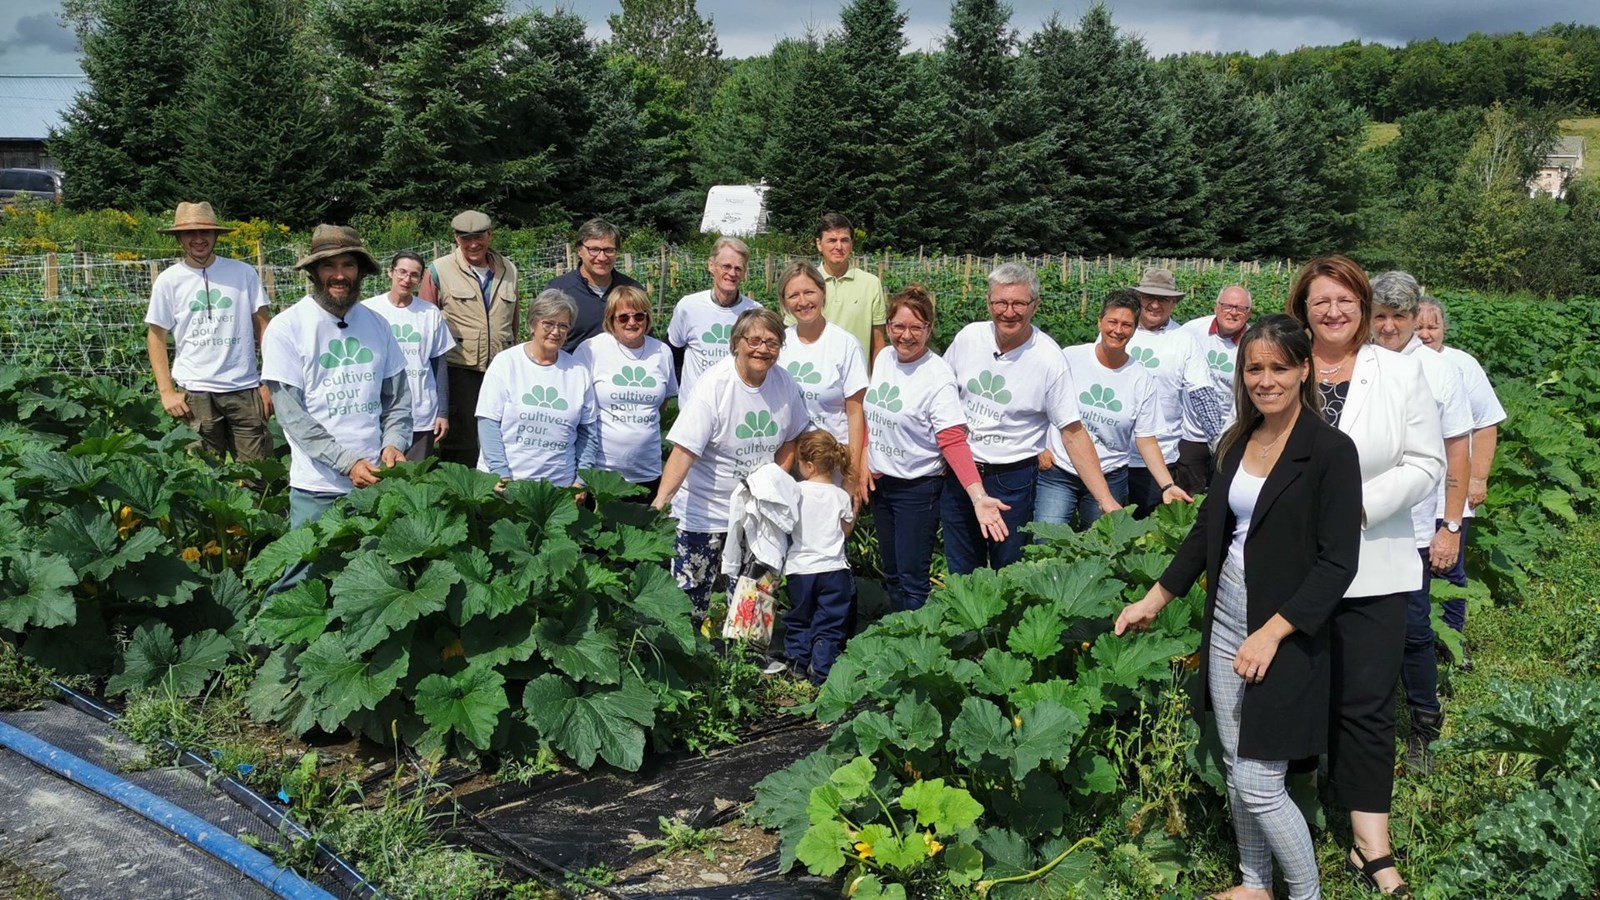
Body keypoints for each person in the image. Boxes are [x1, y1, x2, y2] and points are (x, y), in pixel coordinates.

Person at [1115, 314, 1361, 900]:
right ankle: (1255, 882)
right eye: (1255, 367)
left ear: (1304, 370)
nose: (1266, 379)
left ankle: (1305, 893)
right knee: (1234, 763)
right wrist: (1156, 596)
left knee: (1259, 782)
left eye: (1280, 367)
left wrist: (1273, 633)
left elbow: (1338, 563)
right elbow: (1208, 531)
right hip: (1226, 616)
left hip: (1286, 630)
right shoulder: (1237, 440)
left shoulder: (1330, 451)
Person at [1287, 255, 1444, 897]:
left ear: (1364, 307)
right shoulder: (1281, 364)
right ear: (1303, 308)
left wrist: (1357, 505)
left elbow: (1426, 461)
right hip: (1292, 565)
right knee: (1297, 692)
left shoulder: (1401, 373)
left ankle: (1369, 844)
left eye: (1345, 300)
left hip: (1374, 560)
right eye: (1320, 301)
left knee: (1370, 703)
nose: (1333, 312)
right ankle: (1288, 822)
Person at [941, 263, 1119, 573]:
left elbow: (1073, 433)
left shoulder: (1049, 359)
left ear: (1034, 306)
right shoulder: (968, 338)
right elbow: (940, 397)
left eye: (1019, 303)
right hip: (962, 473)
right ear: (988, 302)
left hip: (1012, 480)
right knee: (960, 568)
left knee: (1009, 569)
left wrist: (1105, 498)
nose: (1008, 312)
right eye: (1000, 302)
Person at [1370, 271, 1472, 775]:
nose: (1388, 326)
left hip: (1411, 527)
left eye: (1399, 317)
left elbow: (1459, 454)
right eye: (1380, 315)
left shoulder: (1438, 372)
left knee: (1413, 630)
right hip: (1357, 523)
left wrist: (1450, 525)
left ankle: (1424, 725)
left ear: (1416, 319)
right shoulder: (1353, 361)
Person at [653, 309, 809, 614]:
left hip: (758, 508)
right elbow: (685, 450)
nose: (762, 349)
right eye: (754, 340)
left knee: (757, 592)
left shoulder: (784, 383)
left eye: (772, 342)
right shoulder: (714, 386)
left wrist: (774, 480)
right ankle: (691, 657)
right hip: (705, 508)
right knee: (690, 597)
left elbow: (792, 435)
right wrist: (661, 501)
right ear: (737, 342)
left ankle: (749, 658)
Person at [864, 284, 1007, 612]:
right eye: (898, 326)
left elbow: (952, 440)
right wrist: (864, 461)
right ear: (888, 327)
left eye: (916, 327)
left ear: (929, 329)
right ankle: (893, 636)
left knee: (912, 576)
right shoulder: (884, 357)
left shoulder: (938, 377)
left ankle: (915, 644)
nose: (906, 335)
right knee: (892, 572)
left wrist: (978, 496)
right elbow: (872, 414)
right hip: (882, 485)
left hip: (917, 489)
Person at [261, 225, 411, 529]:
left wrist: (394, 443)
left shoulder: (378, 325)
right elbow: (292, 416)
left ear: (360, 272)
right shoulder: (287, 327)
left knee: (370, 572)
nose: (339, 275)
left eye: (348, 265)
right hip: (317, 487)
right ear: (314, 272)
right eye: (329, 265)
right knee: (305, 573)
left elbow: (398, 400)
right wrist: (347, 463)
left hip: (374, 481)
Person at [1037, 291, 1190, 530]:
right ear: (1100, 322)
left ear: (1135, 328)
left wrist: (1168, 486)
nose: (1118, 330)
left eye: (1127, 325)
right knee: (1046, 539)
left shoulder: (1141, 379)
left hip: (1110, 474)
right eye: (1112, 322)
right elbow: (1040, 404)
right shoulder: (1070, 358)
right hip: (1060, 471)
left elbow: (1146, 440)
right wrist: (1039, 446)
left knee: (1101, 547)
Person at [144, 201, 273, 461]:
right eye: (190, 233)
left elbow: (264, 326)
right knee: (203, 479)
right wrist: (167, 392)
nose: (198, 239)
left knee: (258, 475)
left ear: (216, 235)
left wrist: (269, 382)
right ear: (179, 237)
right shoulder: (169, 280)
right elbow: (156, 337)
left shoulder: (243, 273)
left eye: (205, 232)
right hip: (195, 393)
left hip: (244, 387)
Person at [1416, 296, 1505, 646]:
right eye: (1419, 326)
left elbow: (1486, 423)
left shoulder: (1462, 364)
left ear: (1444, 328)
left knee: (1447, 569)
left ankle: (1450, 646)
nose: (1425, 334)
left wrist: (1478, 478)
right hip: (1406, 494)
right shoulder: (1392, 362)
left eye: (1432, 326)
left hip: (1448, 490)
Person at [420, 210, 520, 466]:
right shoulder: (439, 271)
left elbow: (514, 321)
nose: (473, 244)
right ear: (456, 238)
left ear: (489, 235)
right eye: (466, 238)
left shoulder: (509, 269)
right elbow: (423, 325)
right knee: (460, 444)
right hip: (458, 371)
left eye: (479, 237)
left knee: (502, 436)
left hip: (499, 369)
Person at [1125, 267, 1227, 509]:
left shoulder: (1183, 340)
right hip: (1111, 457)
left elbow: (1203, 396)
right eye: (1149, 297)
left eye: (1163, 299)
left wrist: (1221, 446)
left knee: (1148, 536)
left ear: (1173, 303)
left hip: (1160, 458)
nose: (1155, 305)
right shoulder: (1120, 330)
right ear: (1139, 298)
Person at [475, 289, 599, 487]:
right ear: (532, 324)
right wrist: (500, 473)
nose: (555, 332)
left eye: (563, 326)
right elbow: (488, 423)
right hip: (507, 482)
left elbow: (588, 432)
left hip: (558, 486)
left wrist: (581, 480)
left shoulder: (578, 371)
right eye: (548, 323)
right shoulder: (506, 363)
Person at [776, 261, 870, 503]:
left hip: (833, 465)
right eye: (793, 295)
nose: (803, 301)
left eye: (809, 292)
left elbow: (855, 413)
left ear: (822, 292)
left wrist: (853, 474)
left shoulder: (845, 345)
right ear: (785, 302)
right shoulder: (779, 344)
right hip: (789, 460)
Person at [573, 285, 677, 497]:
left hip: (647, 469)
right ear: (611, 320)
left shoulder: (661, 352)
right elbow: (576, 404)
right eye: (623, 317)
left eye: (639, 316)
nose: (632, 322)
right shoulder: (591, 350)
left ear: (647, 318)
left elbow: (663, 403)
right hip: (602, 471)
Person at [361, 251, 455, 460]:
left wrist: (442, 413)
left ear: (420, 279)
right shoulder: (368, 310)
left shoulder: (430, 313)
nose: (406, 279)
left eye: (414, 275)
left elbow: (439, 364)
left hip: (421, 411)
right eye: (401, 272)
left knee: (414, 479)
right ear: (390, 272)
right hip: (378, 410)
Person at [781, 430, 857, 685]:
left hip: (800, 568)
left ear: (809, 465)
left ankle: (797, 665)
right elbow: (846, 531)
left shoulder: (796, 491)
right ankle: (822, 670)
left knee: (800, 617)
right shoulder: (840, 495)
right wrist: (854, 510)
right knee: (830, 622)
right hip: (834, 569)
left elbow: (787, 523)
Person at [667, 237, 761, 401]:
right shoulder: (689, 307)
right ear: (711, 266)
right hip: (695, 410)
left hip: (735, 406)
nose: (732, 273)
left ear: (745, 273)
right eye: (726, 266)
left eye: (738, 268)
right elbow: (672, 352)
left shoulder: (754, 312)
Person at [1179, 285, 1254, 490]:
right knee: (1189, 497)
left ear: (1249, 313)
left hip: (1232, 433)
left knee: (1223, 493)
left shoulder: (1254, 342)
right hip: (1192, 433)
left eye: (1240, 308)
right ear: (1216, 307)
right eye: (1227, 306)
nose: (1233, 312)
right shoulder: (1191, 331)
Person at [544, 218, 645, 352]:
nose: (602, 257)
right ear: (580, 250)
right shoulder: (559, 291)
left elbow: (645, 337)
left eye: (609, 250)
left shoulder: (632, 289)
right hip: (572, 370)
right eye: (594, 249)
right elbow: (544, 340)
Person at [812, 213, 887, 364]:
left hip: (858, 382)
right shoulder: (807, 282)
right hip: (815, 379)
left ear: (851, 244)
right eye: (832, 240)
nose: (838, 247)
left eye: (844, 240)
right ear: (819, 244)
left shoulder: (871, 284)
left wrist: (877, 381)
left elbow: (878, 343)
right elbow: (792, 335)